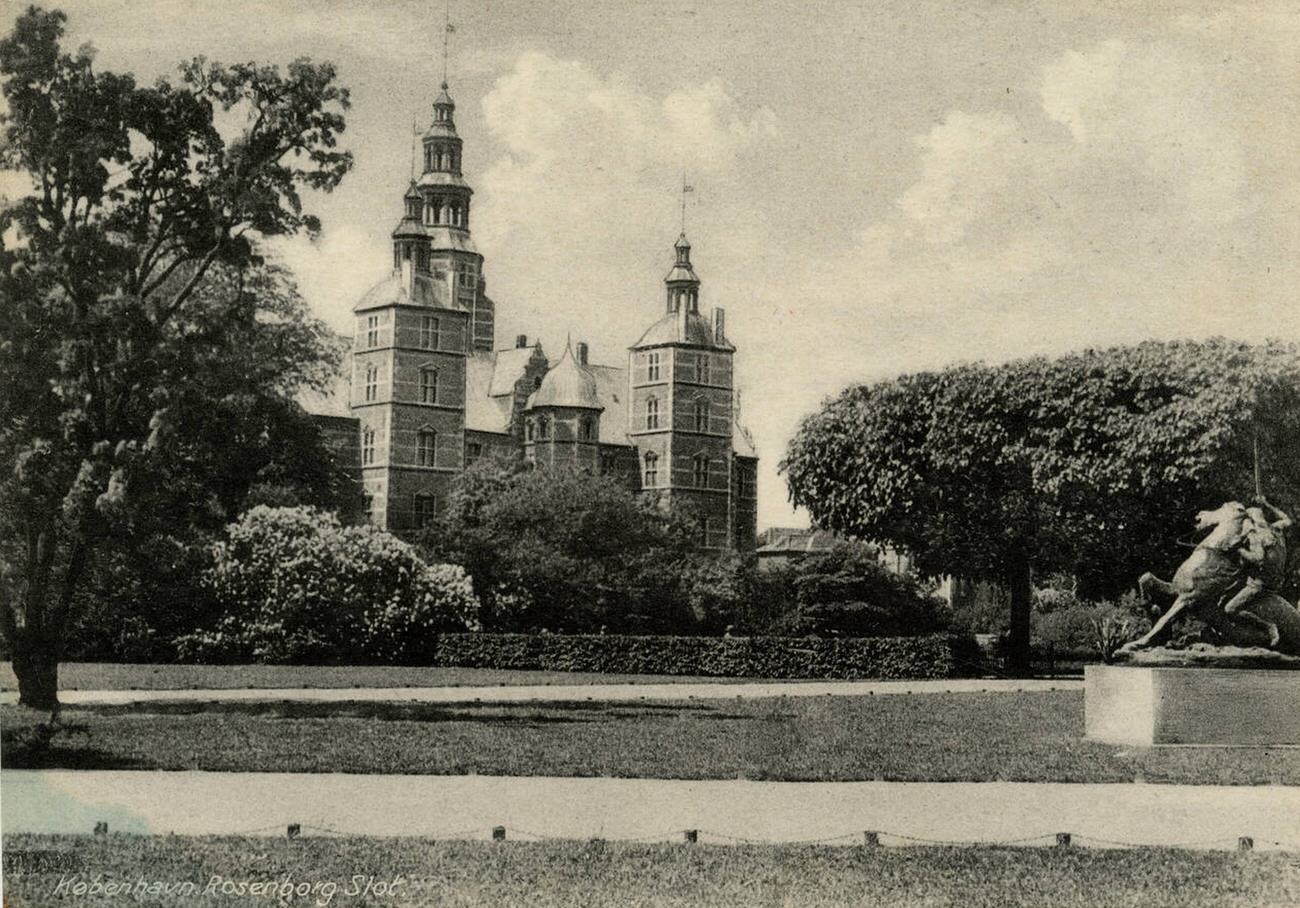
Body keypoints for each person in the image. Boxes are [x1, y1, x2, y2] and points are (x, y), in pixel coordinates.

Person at [1221, 496, 1293, 646]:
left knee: (1230, 609)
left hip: (1260, 584)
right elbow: (1287, 519)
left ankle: (1268, 627)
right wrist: (1267, 504)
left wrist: (1238, 549)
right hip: (1277, 581)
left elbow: (1258, 558)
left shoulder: (1257, 537)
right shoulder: (1276, 528)